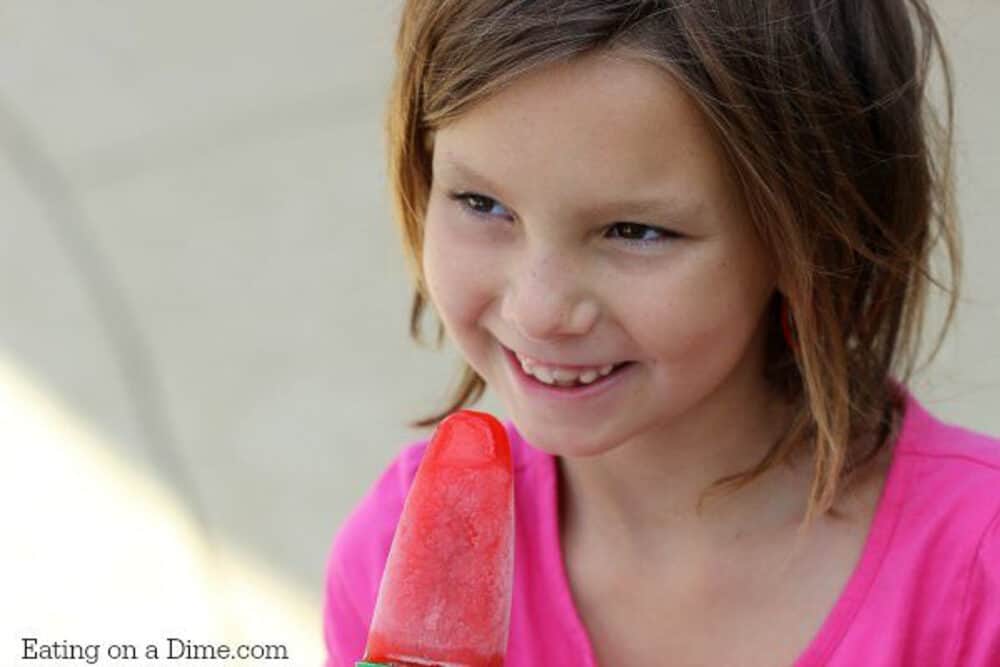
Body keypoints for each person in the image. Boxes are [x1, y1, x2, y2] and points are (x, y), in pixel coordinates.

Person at [324, 1, 1000, 665]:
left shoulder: (977, 577)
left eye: (635, 231)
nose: (539, 309)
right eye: (482, 203)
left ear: (810, 235)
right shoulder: (394, 550)